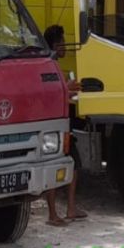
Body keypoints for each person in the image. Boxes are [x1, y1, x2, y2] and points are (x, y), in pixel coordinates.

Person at [42, 24, 87, 226]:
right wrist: (66, 89)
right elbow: (49, 93)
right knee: (55, 167)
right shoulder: (47, 65)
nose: (64, 46)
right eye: (60, 43)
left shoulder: (55, 65)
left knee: (74, 165)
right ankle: (53, 214)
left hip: (62, 123)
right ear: (52, 46)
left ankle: (69, 208)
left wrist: (69, 92)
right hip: (53, 126)